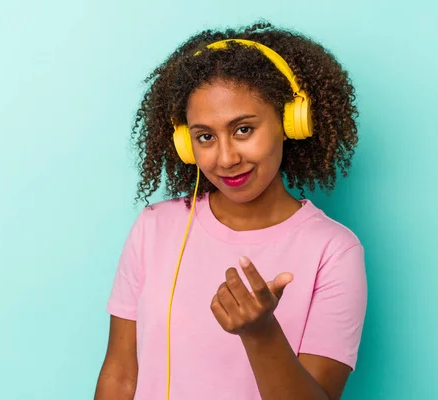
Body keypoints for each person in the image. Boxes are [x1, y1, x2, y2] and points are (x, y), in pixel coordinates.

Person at [94, 22, 367, 400]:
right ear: (186, 144)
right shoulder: (155, 227)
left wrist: (261, 334)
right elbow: (121, 374)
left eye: (243, 130)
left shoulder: (334, 251)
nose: (226, 158)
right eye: (205, 137)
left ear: (290, 122)